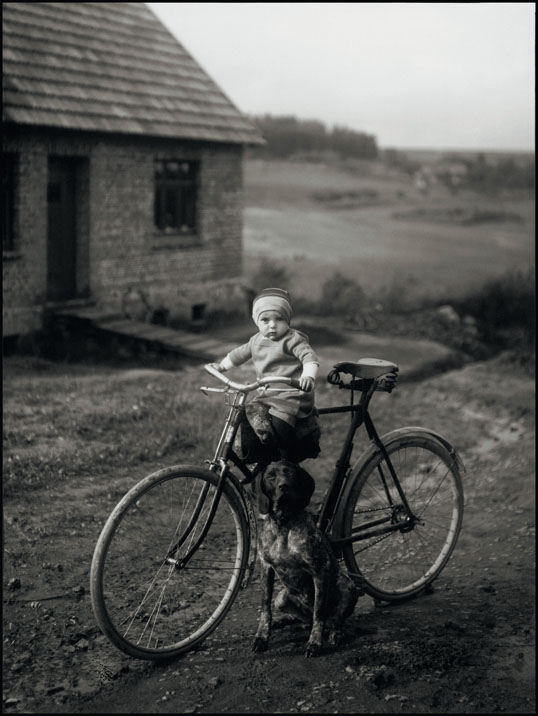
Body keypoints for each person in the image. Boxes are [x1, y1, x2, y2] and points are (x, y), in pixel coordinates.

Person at [213, 287, 319, 460]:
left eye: (279, 319)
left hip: (292, 395)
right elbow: (238, 355)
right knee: (247, 414)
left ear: (288, 320)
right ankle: (255, 456)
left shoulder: (293, 339)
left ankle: (288, 458)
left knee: (280, 424)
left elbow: (309, 358)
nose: (272, 325)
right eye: (265, 320)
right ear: (256, 321)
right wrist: (221, 367)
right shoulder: (256, 340)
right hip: (267, 394)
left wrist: (308, 376)